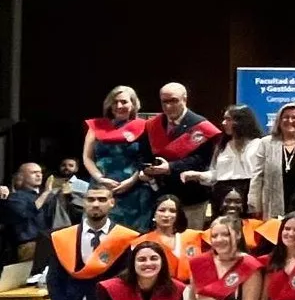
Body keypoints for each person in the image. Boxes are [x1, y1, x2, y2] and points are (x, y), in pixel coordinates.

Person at [140, 83, 221, 228]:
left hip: (191, 197)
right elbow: (144, 153)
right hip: (160, 196)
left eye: (174, 101)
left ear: (185, 99)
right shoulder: (152, 124)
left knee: (190, 243)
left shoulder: (201, 126)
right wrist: (146, 169)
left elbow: (202, 160)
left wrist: (170, 167)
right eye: (165, 102)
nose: (169, 106)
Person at [82, 85, 154, 231]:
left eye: (124, 102)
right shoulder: (96, 126)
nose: (119, 106)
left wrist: (131, 181)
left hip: (135, 189)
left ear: (133, 104)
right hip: (101, 188)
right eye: (115, 102)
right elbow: (87, 157)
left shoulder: (145, 127)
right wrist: (100, 179)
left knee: (133, 235)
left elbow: (146, 159)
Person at [181, 104, 263, 219]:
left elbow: (260, 174)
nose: (224, 123)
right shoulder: (222, 146)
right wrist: (198, 175)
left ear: (241, 121)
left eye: (228, 119)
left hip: (248, 192)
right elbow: (216, 174)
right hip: (222, 193)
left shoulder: (258, 144)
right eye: (224, 119)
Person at [246, 102, 295, 220]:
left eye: (294, 118)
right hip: (273, 202)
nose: (290, 120)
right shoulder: (266, 143)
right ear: (279, 120)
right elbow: (257, 176)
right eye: (286, 117)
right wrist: (254, 204)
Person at [3, 162, 67, 258]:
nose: (38, 175)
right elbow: (24, 213)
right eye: (33, 172)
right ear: (22, 176)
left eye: (40, 172)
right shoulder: (16, 197)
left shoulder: (42, 196)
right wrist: (46, 193)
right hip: (30, 246)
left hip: (49, 242)